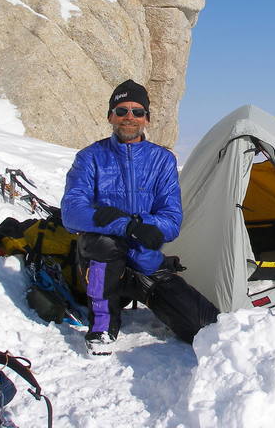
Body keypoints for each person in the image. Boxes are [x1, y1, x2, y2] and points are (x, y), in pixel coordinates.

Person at [61, 79, 218, 355]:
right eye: (121, 111)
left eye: (137, 111)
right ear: (111, 115)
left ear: (147, 118)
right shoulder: (90, 158)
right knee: (102, 244)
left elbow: (171, 221)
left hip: (145, 262)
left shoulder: (162, 160)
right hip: (101, 264)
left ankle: (147, 293)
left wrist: (141, 227)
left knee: (207, 326)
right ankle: (102, 324)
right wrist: (128, 226)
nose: (129, 117)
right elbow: (71, 212)